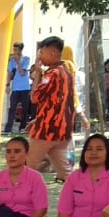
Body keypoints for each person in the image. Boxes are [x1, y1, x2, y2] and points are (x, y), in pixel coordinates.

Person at [26, 36, 75, 182]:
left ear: (52, 53)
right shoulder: (67, 72)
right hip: (62, 130)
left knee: (26, 167)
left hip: (46, 131)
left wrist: (37, 75)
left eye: (41, 53)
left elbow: (35, 97)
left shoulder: (52, 74)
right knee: (65, 171)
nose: (40, 57)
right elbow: (59, 103)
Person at [0, 137, 49, 217]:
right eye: (8, 152)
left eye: (17, 151)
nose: (12, 156)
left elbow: (41, 209)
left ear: (27, 154)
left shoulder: (35, 177)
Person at [5, 42, 33, 133]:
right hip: (15, 88)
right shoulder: (11, 61)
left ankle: (22, 128)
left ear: (20, 50)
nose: (14, 52)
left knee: (25, 109)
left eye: (16, 50)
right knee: (12, 108)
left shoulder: (26, 59)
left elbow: (22, 73)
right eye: (14, 49)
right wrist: (7, 85)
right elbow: (9, 73)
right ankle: (8, 129)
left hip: (25, 88)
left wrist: (17, 62)